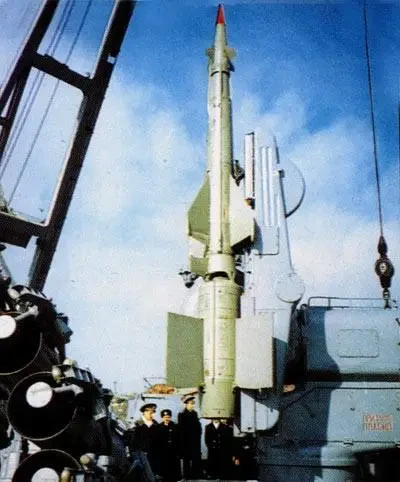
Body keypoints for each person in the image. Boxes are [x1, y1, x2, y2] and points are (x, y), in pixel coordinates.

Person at [125, 403, 159, 482]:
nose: (152, 415)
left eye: (153, 412)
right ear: (145, 412)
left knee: (152, 474)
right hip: (139, 453)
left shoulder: (155, 424)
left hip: (152, 454)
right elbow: (130, 440)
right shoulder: (137, 424)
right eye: (151, 413)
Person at [177, 395, 202, 478]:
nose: (192, 405)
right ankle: (186, 475)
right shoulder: (182, 415)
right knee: (186, 459)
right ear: (186, 404)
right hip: (186, 441)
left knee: (196, 458)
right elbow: (181, 430)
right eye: (190, 404)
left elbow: (198, 427)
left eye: (193, 403)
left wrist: (198, 437)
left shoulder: (195, 414)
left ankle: (196, 474)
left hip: (195, 440)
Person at [158, 409, 181, 482]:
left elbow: (179, 439)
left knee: (174, 465)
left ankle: (175, 478)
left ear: (170, 417)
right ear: (162, 418)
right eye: (165, 417)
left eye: (168, 417)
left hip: (173, 450)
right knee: (165, 465)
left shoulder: (175, 426)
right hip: (164, 451)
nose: (167, 419)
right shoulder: (159, 427)